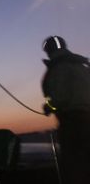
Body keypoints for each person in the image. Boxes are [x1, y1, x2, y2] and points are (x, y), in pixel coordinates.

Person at [41, 35, 90, 184]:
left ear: (49, 50)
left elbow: (60, 98)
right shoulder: (81, 66)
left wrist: (49, 107)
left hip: (73, 124)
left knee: (74, 166)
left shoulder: (58, 68)